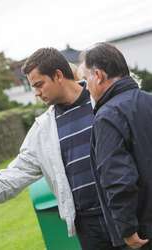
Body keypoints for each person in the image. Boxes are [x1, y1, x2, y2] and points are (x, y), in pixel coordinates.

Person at [0, 48, 116, 249]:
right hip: (88, 226)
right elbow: (18, 171)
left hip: (126, 211)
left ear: (58, 75)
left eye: (39, 85)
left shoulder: (103, 100)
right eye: (32, 87)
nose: (36, 93)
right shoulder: (43, 129)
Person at [80, 42, 152, 250]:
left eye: (86, 79)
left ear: (99, 75)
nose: (86, 87)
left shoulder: (107, 117)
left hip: (144, 231)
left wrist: (127, 229)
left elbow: (118, 178)